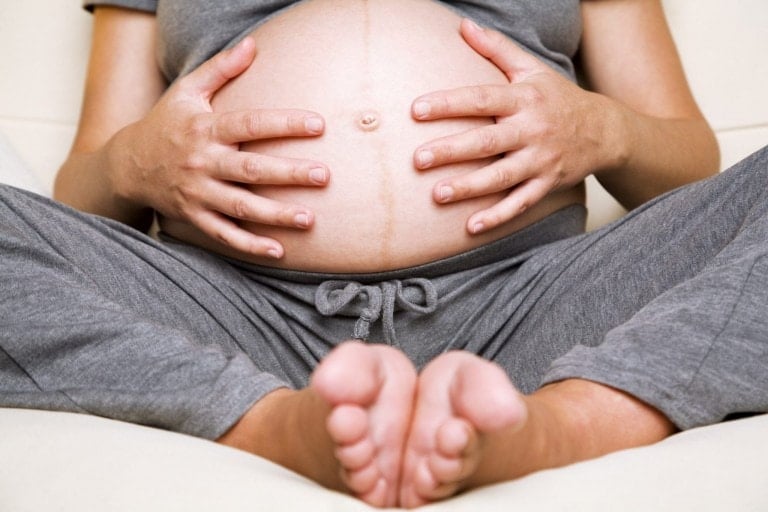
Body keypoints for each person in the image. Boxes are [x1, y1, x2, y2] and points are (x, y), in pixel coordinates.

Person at [1, 0, 766, 508]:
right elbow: (85, 193)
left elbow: (687, 160)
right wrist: (133, 162)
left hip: (539, 300)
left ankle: (568, 421)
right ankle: (270, 423)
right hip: (228, 311)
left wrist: (606, 130)